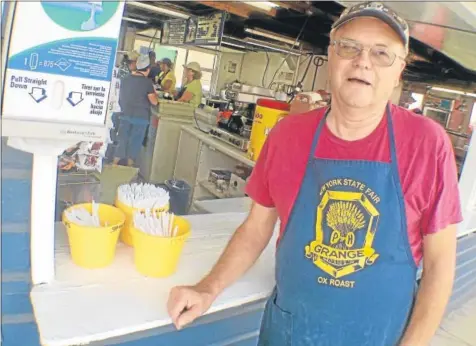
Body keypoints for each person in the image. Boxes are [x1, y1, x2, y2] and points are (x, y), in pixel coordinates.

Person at [167, 2, 462, 345]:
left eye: (382, 53)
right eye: (349, 46)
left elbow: (440, 264)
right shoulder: (286, 135)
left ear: (400, 69)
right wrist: (207, 288)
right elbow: (255, 229)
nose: (362, 61)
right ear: (331, 56)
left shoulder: (427, 143)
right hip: (291, 332)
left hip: (383, 336)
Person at [113, 54, 158, 167]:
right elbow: (154, 102)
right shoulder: (147, 83)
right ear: (148, 69)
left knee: (122, 139)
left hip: (125, 114)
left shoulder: (125, 79)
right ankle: (129, 167)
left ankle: (114, 164)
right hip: (141, 118)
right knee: (135, 143)